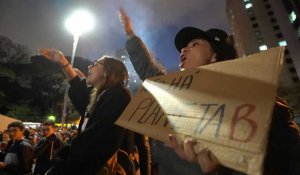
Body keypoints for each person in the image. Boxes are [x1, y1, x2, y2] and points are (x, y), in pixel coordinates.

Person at [119, 9, 300, 175]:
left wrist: (223, 169)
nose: (184, 49)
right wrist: (130, 34)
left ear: (215, 55)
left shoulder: (251, 100)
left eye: (194, 44)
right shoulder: (177, 94)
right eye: (183, 48)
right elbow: (151, 74)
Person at [39, 49, 150, 175]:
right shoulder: (100, 97)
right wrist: (62, 62)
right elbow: (78, 87)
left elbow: (98, 141)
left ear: (107, 72)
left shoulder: (118, 95)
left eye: (96, 64)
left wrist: (66, 163)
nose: (89, 66)